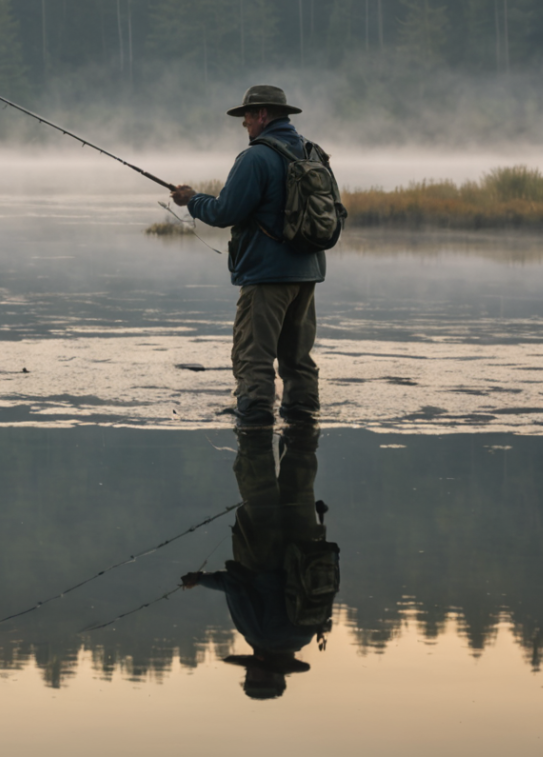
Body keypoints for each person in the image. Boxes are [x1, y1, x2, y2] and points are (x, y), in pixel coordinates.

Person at [168, 85, 324, 429]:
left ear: (263, 115)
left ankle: (254, 431)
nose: (245, 125)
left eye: (247, 117)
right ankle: (303, 425)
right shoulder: (312, 152)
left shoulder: (255, 157)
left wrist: (192, 199)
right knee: (298, 360)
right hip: (307, 272)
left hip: (267, 277)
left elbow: (225, 212)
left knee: (252, 358)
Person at [180, 423, 333, 699]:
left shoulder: (305, 636)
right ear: (264, 671)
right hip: (264, 547)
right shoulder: (259, 636)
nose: (248, 674)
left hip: (305, 544)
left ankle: (302, 412)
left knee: (299, 472)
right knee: (257, 477)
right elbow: (236, 587)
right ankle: (254, 413)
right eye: (253, 677)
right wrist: (199, 580)